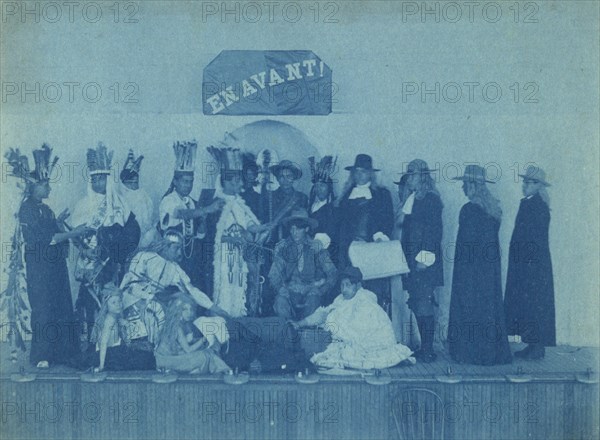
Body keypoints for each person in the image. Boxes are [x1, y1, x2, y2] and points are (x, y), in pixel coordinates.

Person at [11, 145, 92, 368]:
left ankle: (63, 353)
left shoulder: (46, 210)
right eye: (45, 184)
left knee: (61, 305)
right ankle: (42, 355)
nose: (49, 188)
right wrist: (75, 232)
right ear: (32, 186)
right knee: (44, 308)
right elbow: (50, 238)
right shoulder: (27, 209)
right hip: (40, 269)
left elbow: (53, 232)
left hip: (55, 268)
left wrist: (60, 223)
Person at [72, 143, 141, 341]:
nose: (97, 182)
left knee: (115, 301)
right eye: (94, 178)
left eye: (101, 178)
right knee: (90, 302)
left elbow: (132, 230)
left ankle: (114, 342)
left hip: (114, 263)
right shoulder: (84, 204)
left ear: (108, 179)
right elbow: (75, 235)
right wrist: (85, 250)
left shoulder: (120, 204)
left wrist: (122, 251)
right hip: (92, 263)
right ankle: (91, 342)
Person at [448, 165, 512, 365]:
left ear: (473, 186)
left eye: (465, 184)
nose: (463, 188)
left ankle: (469, 353)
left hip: (469, 272)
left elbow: (465, 247)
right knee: (487, 308)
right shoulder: (492, 210)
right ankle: (487, 354)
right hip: (488, 272)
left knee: (468, 308)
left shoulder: (469, 210)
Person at [291, 267, 413, 371]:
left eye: (348, 285)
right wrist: (300, 323)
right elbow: (324, 313)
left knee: (344, 355)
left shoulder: (365, 302)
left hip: (370, 343)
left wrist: (333, 321)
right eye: (342, 285)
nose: (344, 289)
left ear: (358, 286)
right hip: (352, 339)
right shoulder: (341, 299)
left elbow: (357, 330)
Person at [204, 146, 271, 317]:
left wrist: (262, 227)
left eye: (237, 181)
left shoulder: (240, 203)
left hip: (239, 254)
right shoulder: (217, 204)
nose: (238, 184)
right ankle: (223, 320)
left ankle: (236, 318)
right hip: (223, 256)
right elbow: (214, 236)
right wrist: (234, 240)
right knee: (225, 287)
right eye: (233, 181)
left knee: (239, 285)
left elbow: (249, 224)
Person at [504, 165, 556, 360]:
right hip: (525, 262)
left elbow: (535, 239)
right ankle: (531, 344)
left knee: (535, 303)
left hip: (533, 264)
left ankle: (537, 346)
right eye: (525, 181)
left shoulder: (539, 206)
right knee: (527, 303)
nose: (525, 185)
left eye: (530, 182)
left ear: (539, 186)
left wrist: (526, 260)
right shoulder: (527, 203)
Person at [159, 140, 225, 290]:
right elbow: (180, 213)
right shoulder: (168, 200)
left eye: (191, 182)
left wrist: (202, 221)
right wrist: (205, 210)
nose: (188, 185)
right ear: (175, 181)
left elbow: (199, 234)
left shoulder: (191, 202)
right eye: (184, 182)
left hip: (191, 255)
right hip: (173, 254)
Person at [120, 230, 230, 318]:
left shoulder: (175, 268)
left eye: (180, 249)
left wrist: (215, 308)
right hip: (131, 302)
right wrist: (154, 298)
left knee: (184, 302)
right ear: (166, 246)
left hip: (154, 307)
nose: (179, 253)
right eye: (176, 248)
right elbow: (131, 285)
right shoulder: (143, 256)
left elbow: (192, 291)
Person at [397, 159, 444, 363]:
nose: (410, 178)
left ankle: (428, 349)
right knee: (417, 301)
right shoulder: (413, 199)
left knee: (424, 302)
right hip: (412, 260)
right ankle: (425, 348)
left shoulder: (431, 200)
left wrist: (424, 259)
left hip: (424, 262)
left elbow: (434, 232)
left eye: (413, 174)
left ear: (423, 177)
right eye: (409, 174)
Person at [336, 154, 394, 308]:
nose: (360, 174)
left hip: (371, 250)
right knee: (349, 290)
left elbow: (387, 221)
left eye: (364, 171)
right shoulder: (345, 197)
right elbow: (340, 225)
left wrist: (379, 237)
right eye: (357, 171)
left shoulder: (382, 195)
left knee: (372, 291)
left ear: (370, 173)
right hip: (348, 250)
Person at [270, 209, 338, 320]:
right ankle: (288, 331)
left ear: (306, 229)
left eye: (298, 229)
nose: (294, 232)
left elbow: (332, 273)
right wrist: (280, 289)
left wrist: (321, 290)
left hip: (312, 291)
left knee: (313, 300)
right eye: (292, 229)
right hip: (290, 291)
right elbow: (274, 274)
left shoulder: (317, 247)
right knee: (280, 301)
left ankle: (307, 332)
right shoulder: (283, 248)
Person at [155, 293, 230, 374]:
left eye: (190, 309)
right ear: (177, 310)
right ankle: (226, 371)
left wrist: (200, 341)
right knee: (204, 356)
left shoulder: (181, 325)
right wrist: (204, 339)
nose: (189, 313)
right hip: (167, 361)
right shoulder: (177, 328)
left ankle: (225, 370)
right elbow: (188, 350)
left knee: (207, 353)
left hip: (170, 359)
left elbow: (182, 345)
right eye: (185, 309)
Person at [88, 285, 156, 372]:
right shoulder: (109, 320)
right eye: (113, 303)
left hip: (115, 351)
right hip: (108, 355)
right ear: (106, 305)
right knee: (140, 359)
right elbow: (103, 344)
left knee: (142, 354)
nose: (118, 305)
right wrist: (101, 366)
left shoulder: (115, 317)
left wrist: (124, 323)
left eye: (119, 301)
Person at [265, 160, 309, 243]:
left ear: (293, 178)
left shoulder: (302, 198)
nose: (285, 180)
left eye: (289, 176)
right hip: (270, 240)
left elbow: (303, 223)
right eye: (281, 176)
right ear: (277, 179)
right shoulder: (269, 197)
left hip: (293, 240)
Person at [308, 156, 339, 272]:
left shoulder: (334, 207)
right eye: (316, 186)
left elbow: (332, 230)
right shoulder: (310, 206)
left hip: (328, 249)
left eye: (322, 185)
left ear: (329, 187)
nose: (318, 189)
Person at [119, 149, 156, 247]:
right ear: (123, 184)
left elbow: (148, 221)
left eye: (135, 182)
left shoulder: (143, 196)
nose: (133, 186)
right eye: (129, 183)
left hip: (145, 239)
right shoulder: (119, 198)